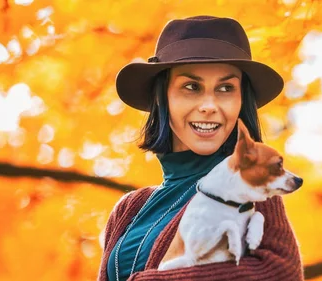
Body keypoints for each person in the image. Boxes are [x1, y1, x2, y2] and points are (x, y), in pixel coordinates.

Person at [97, 15, 303, 281]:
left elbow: (279, 272)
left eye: (226, 88)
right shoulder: (129, 208)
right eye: (191, 87)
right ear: (162, 98)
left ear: (241, 101)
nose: (209, 105)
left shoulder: (252, 182)